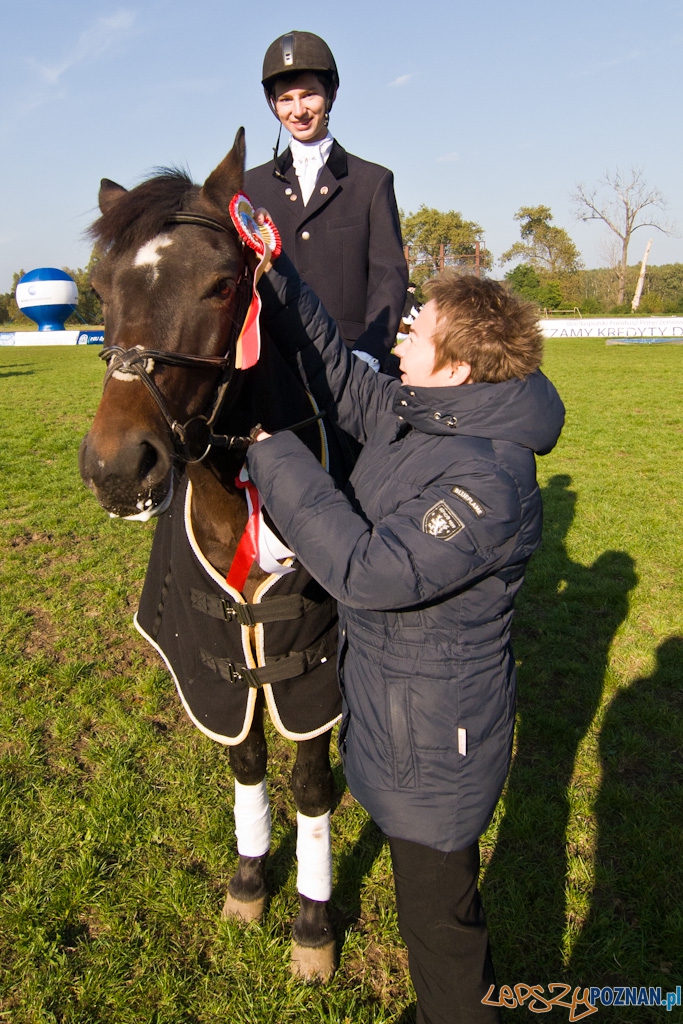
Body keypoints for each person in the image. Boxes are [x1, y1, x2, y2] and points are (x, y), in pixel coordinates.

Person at [244, 248, 565, 1022]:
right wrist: (273, 273)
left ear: (453, 369)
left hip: (435, 748)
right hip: (403, 723)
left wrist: (269, 450)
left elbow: (364, 570)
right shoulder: (428, 416)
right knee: (438, 919)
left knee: (440, 927)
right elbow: (340, 370)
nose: (396, 342)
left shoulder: (484, 480)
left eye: (413, 334)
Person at [244, 31, 407, 372]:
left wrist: (368, 355)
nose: (299, 110)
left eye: (309, 95)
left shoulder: (372, 182)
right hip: (272, 366)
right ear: (272, 103)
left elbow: (387, 278)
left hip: (348, 362)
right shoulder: (250, 187)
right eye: (286, 99)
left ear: (330, 94)